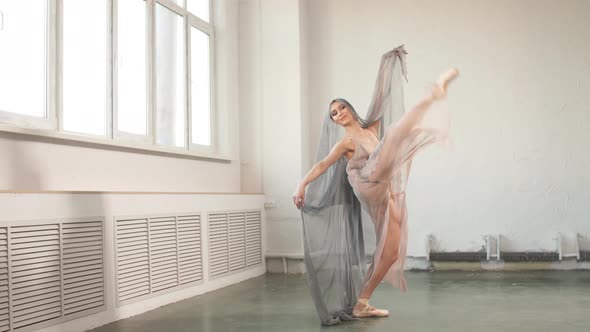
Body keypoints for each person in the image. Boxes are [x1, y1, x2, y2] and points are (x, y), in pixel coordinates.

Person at [293, 45, 458, 325]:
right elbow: (322, 164)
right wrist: (301, 185)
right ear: (333, 121)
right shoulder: (345, 142)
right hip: (366, 181)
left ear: (350, 108)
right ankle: (434, 94)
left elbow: (381, 98)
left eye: (341, 107)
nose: (339, 113)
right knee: (395, 134)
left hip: (383, 190)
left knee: (391, 253)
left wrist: (388, 62)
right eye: (333, 113)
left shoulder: (370, 129)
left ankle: (362, 302)